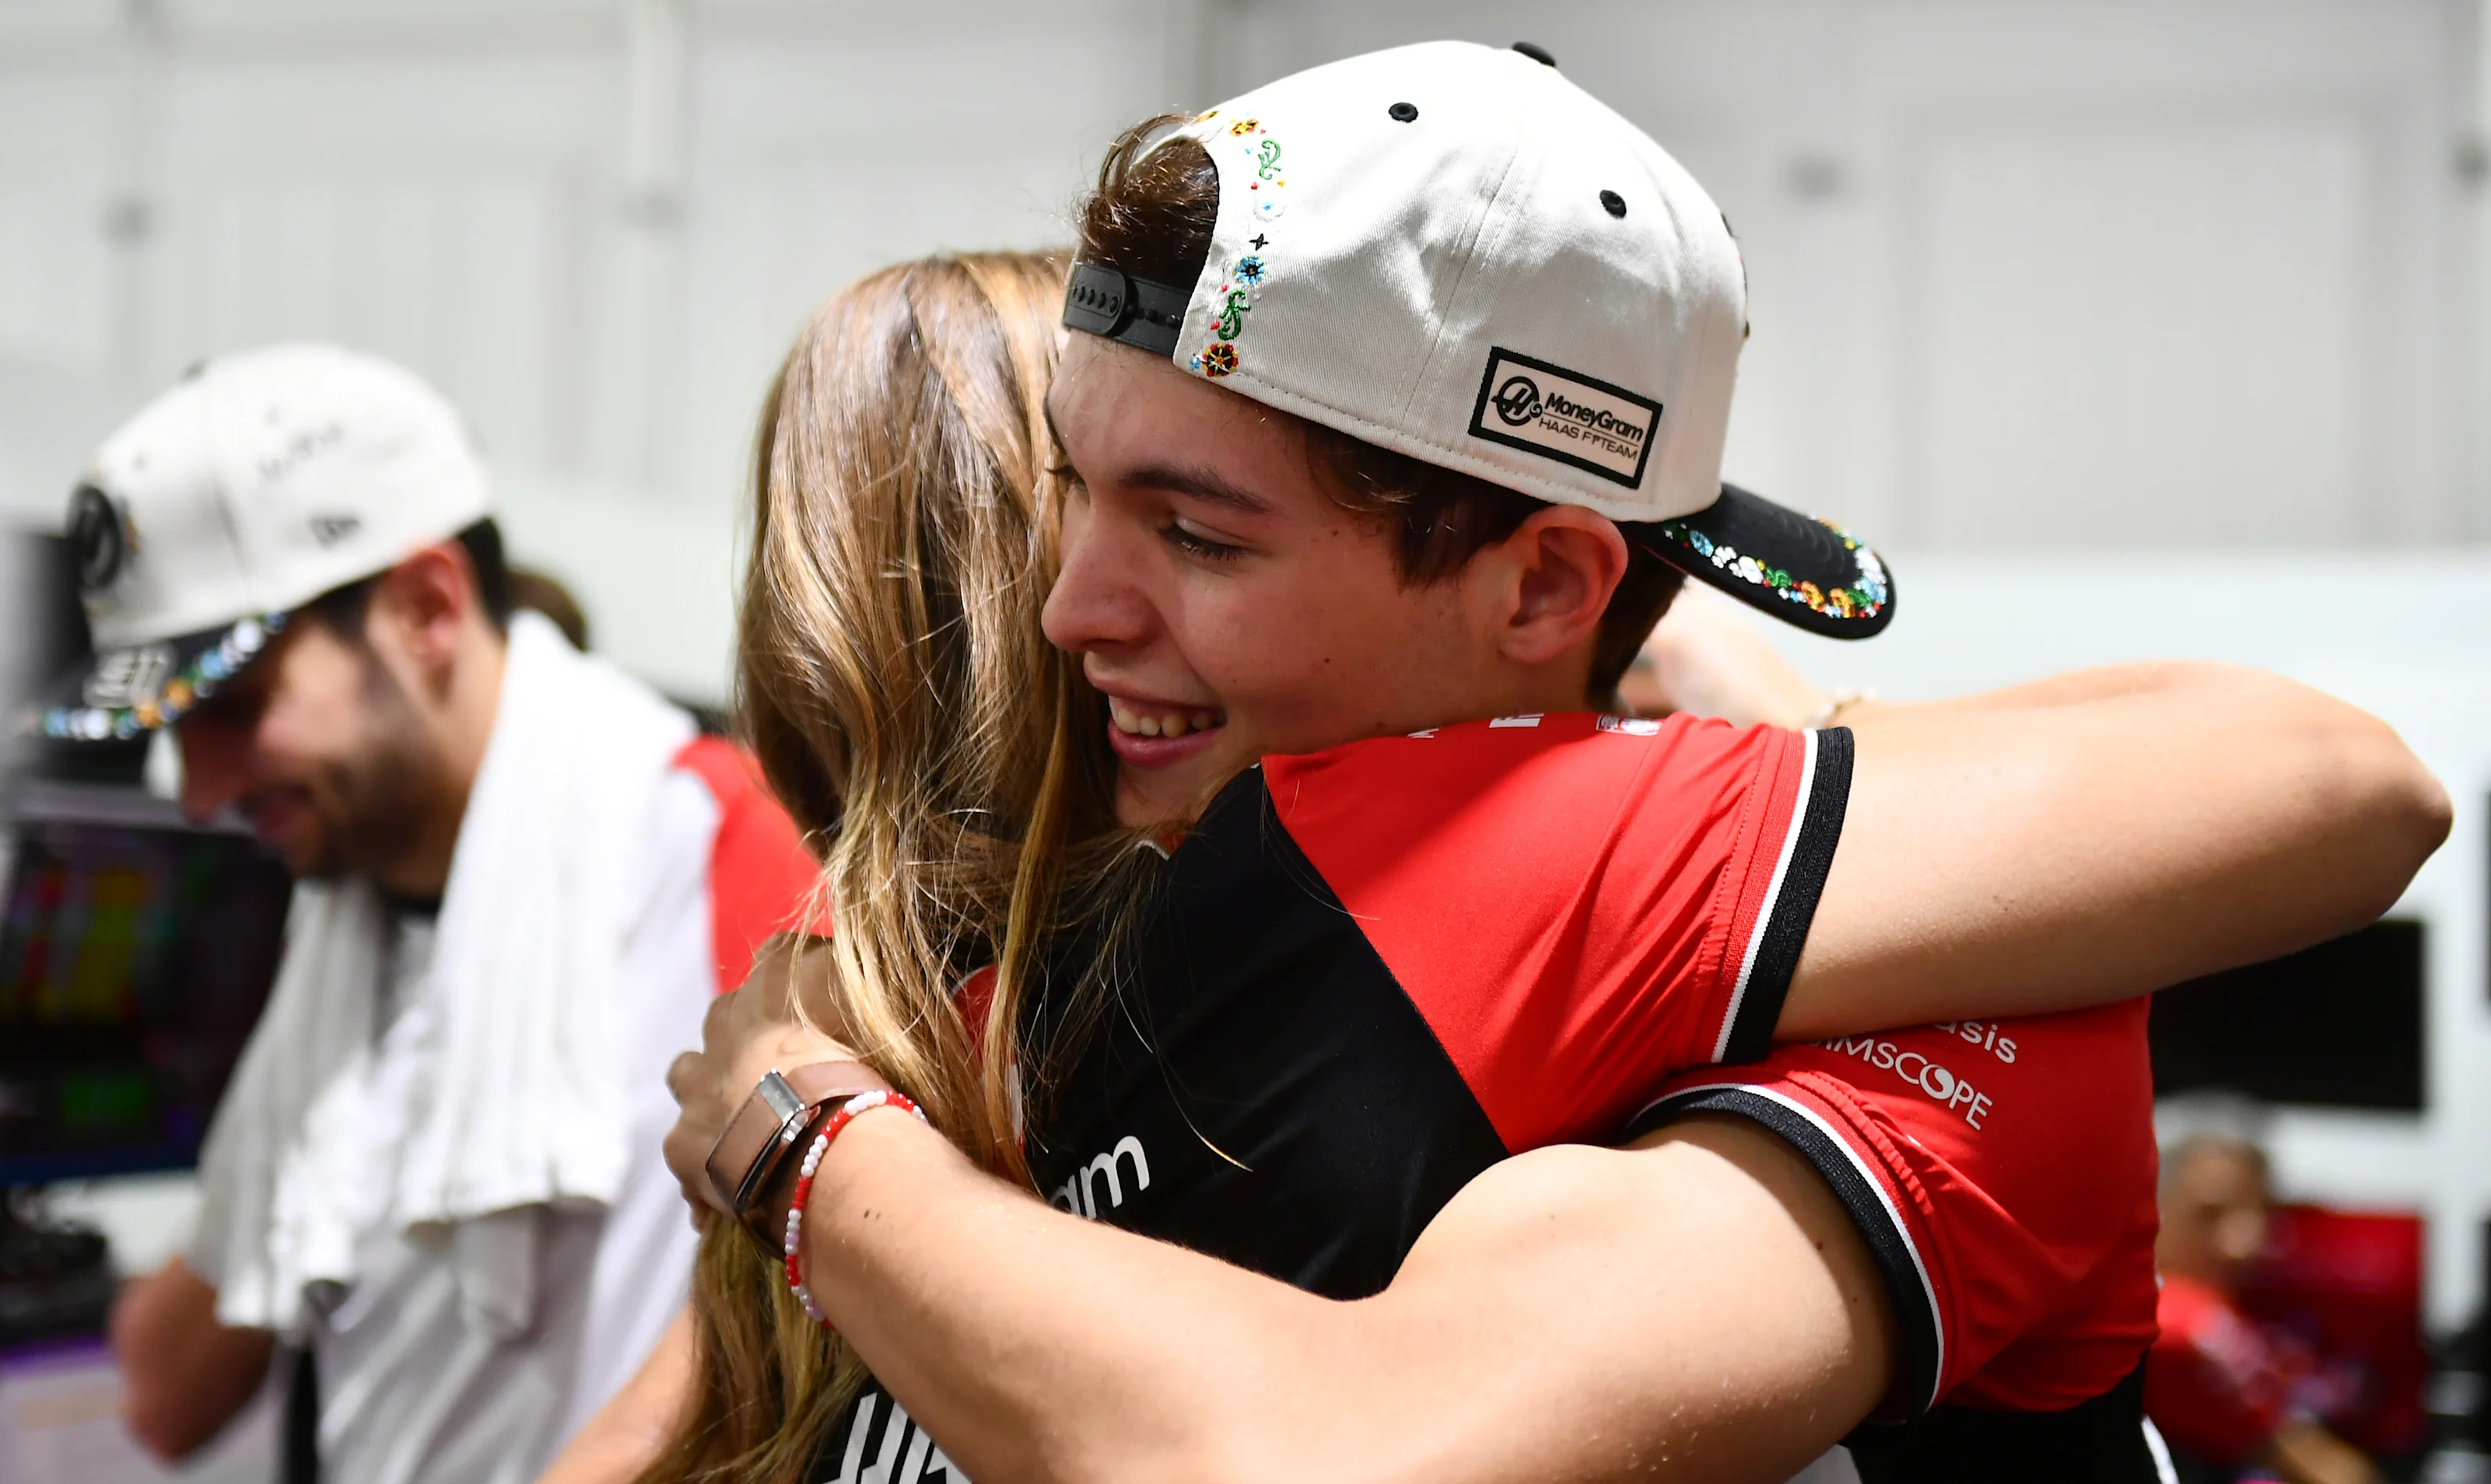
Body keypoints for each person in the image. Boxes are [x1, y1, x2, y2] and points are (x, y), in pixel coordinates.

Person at [643, 45, 2440, 1482]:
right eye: (1071, 490)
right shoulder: (1083, 923)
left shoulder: (1562, 870)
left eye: (1196, 533)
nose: (1067, 608)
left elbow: (2337, 783)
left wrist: (812, 1142)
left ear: (1545, 586)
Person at [56, 345, 821, 1484]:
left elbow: (826, 1352)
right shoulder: (338, 932)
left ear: (424, 609)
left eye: (236, 705)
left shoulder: (727, 858)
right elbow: (167, 1397)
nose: (201, 792)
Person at [2146, 1109, 2383, 1484]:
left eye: (2262, 1211)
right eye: (2210, 1215)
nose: (2246, 1242)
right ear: (2149, 1209)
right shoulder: (2179, 1323)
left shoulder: (2284, 1308)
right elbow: (2333, 1474)